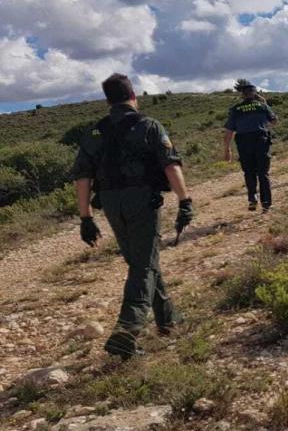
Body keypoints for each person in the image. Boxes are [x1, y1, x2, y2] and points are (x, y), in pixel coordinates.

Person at [72, 74, 194, 359]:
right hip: (141, 199)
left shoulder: (95, 132)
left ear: (108, 101)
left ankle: (168, 320)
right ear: (133, 96)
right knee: (144, 265)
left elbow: (82, 176)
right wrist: (185, 200)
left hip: (112, 203)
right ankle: (126, 331)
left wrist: (85, 217)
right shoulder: (148, 126)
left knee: (142, 260)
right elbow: (170, 166)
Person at [224, 80, 277, 212]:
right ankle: (266, 203)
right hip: (261, 141)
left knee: (249, 172)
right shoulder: (262, 106)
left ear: (242, 95)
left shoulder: (235, 109)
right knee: (263, 173)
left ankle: (252, 198)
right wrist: (264, 103)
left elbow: (229, 131)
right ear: (254, 93)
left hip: (244, 143)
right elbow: (274, 121)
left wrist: (227, 149)